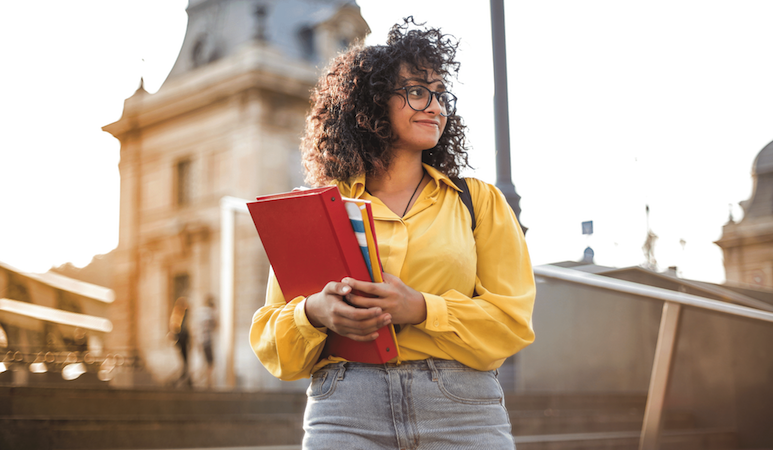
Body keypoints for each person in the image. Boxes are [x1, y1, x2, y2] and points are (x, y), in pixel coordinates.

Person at [250, 17, 535, 449]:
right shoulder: (320, 209)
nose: (436, 106)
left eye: (441, 94)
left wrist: (421, 308)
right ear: (372, 102)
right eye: (418, 91)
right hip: (344, 408)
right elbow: (273, 341)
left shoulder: (479, 201)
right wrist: (314, 313)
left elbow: (512, 323)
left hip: (461, 409)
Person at [195, 295, 218, 388]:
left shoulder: (200, 313)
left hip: (200, 340)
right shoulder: (210, 313)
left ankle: (203, 381)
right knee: (210, 363)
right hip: (207, 340)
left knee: (203, 361)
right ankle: (208, 382)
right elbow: (216, 325)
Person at [169, 297, 192, 387]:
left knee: (185, 361)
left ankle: (187, 379)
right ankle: (185, 379)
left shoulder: (182, 315)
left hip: (183, 340)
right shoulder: (178, 315)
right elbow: (175, 328)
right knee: (185, 361)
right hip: (181, 340)